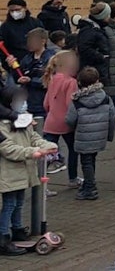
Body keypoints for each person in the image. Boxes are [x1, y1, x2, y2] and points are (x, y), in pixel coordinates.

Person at [0, 86, 57, 256]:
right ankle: (3, 237)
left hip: (22, 171)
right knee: (9, 204)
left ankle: (17, 229)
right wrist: (33, 152)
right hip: (9, 172)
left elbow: (34, 138)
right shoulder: (3, 125)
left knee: (19, 202)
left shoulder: (23, 120)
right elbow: (7, 149)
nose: (23, 104)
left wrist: (48, 146)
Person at [64, 66, 115, 200]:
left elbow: (70, 119)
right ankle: (89, 183)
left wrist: (75, 128)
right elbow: (112, 117)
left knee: (86, 161)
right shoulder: (106, 98)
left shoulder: (77, 101)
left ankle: (90, 188)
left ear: (79, 82)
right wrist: (109, 135)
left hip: (83, 136)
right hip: (99, 136)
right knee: (91, 159)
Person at [42, 50, 79, 186]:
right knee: (73, 150)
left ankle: (41, 186)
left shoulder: (52, 79)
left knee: (46, 155)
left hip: (51, 122)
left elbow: (46, 104)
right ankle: (73, 178)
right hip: (66, 123)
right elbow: (70, 104)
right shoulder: (71, 82)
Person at [16, 28, 56, 119]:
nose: (29, 43)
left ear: (43, 41)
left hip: (43, 103)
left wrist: (31, 81)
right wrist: (13, 67)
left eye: (32, 40)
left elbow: (50, 81)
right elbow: (19, 75)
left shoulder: (51, 58)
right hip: (28, 102)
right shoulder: (27, 58)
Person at [1, 0, 43, 68]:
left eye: (17, 10)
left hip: (34, 63)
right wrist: (6, 60)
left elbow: (43, 41)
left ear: (25, 8)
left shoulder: (35, 23)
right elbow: (2, 46)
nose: (14, 13)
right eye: (11, 10)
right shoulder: (5, 26)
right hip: (14, 64)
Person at [76, 3, 111, 85]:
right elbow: (84, 48)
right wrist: (101, 56)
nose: (109, 17)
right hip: (92, 73)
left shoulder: (97, 28)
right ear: (102, 16)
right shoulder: (90, 30)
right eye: (108, 15)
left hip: (98, 70)